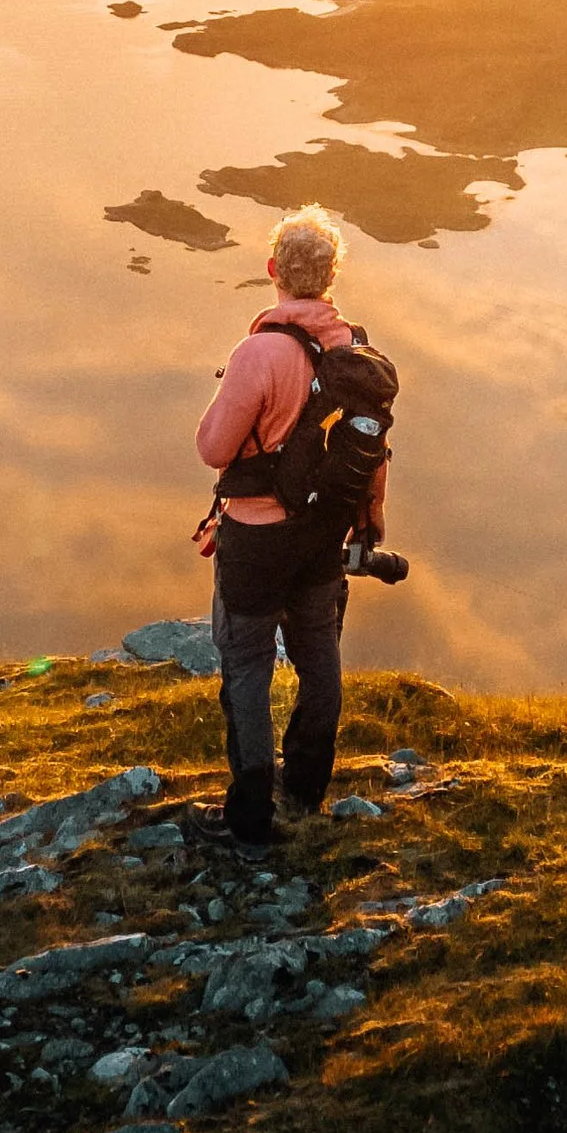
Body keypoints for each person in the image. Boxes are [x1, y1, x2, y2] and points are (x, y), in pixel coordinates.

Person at [193, 203, 386, 843]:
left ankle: (250, 817)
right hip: (323, 533)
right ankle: (303, 792)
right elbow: (371, 452)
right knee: (319, 657)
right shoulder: (353, 352)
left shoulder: (261, 352)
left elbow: (215, 450)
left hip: (256, 536)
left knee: (246, 665)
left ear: (273, 269)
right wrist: (367, 525)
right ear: (331, 278)